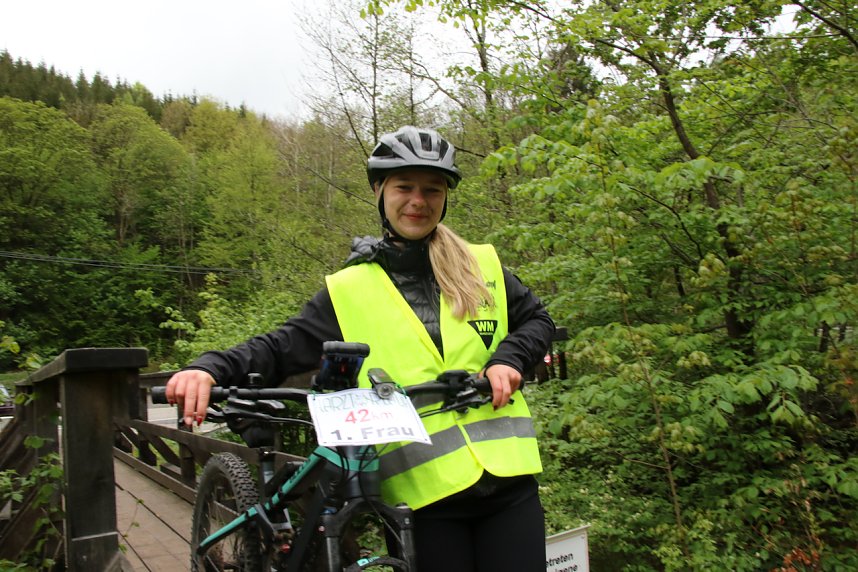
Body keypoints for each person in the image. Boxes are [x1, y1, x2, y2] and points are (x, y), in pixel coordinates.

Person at [165, 125, 555, 571]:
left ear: (446, 196)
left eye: (432, 189)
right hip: (425, 502)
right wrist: (209, 368)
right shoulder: (349, 289)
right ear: (379, 190)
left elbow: (537, 320)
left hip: (510, 486)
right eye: (404, 186)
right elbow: (280, 346)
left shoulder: (481, 265)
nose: (418, 201)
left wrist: (507, 360)